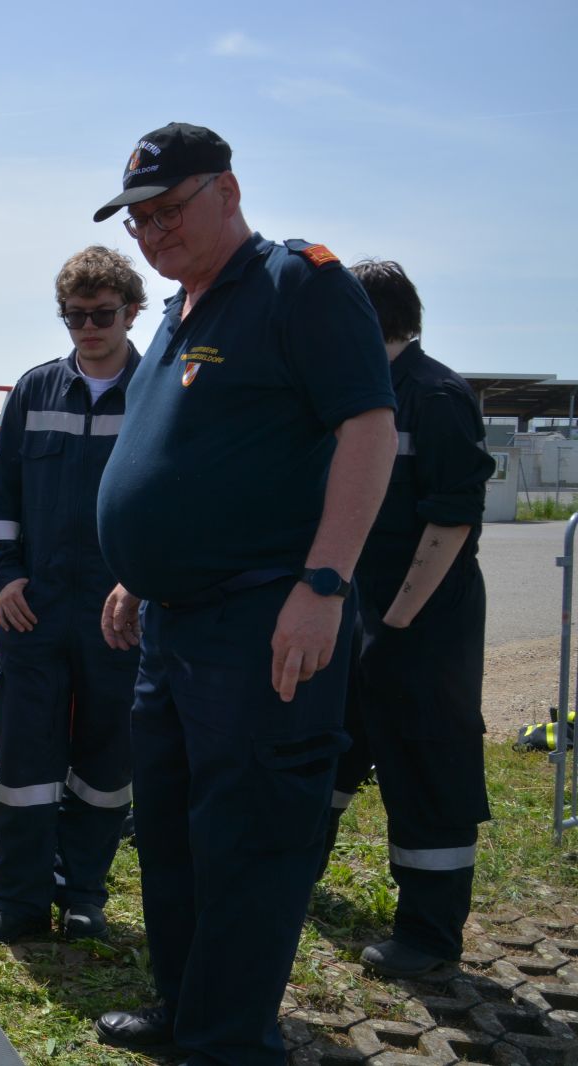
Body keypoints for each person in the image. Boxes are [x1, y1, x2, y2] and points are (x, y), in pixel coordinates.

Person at [89, 122, 397, 1063]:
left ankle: (229, 1041)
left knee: (250, 842)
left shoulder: (299, 284)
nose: (153, 232)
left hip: (263, 619)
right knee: (172, 833)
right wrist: (139, 572)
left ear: (226, 191)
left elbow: (368, 430)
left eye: (168, 210)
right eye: (139, 220)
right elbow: (184, 459)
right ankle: (186, 1009)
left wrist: (324, 582)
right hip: (174, 626)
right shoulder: (180, 309)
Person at [0, 247, 144, 948]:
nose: (88, 328)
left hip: (119, 615)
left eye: (102, 315)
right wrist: (6, 576)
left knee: (105, 764)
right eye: (75, 316)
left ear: (132, 312)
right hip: (33, 609)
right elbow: (1, 495)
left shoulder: (158, 391)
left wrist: (144, 581)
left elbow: (172, 499)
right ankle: (16, 901)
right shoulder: (35, 391)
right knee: (23, 764)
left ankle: (83, 896)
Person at [320, 260, 494, 979]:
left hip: (421, 631)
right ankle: (295, 877)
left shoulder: (435, 396)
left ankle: (428, 935)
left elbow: (451, 520)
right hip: (358, 619)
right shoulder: (362, 397)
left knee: (426, 771)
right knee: (329, 753)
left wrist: (392, 629)